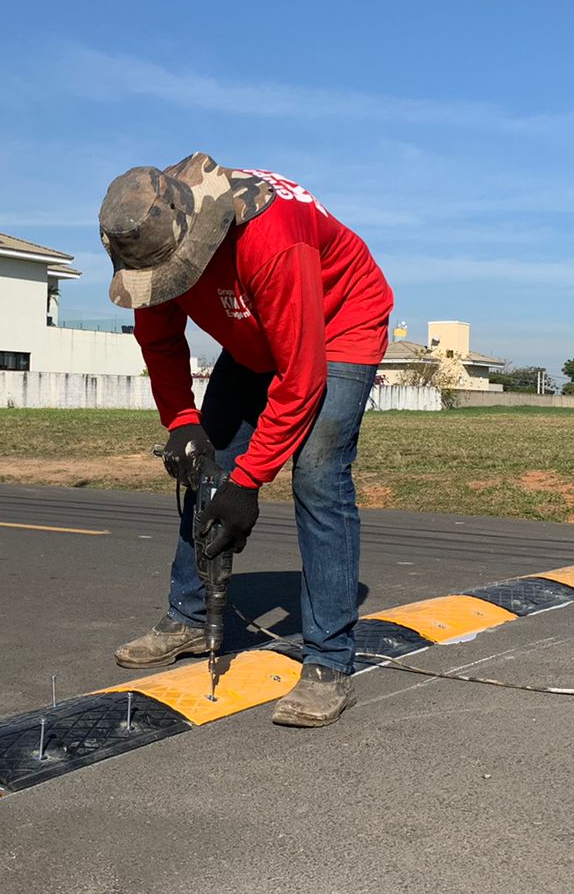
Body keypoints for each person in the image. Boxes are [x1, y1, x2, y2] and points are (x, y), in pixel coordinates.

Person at [98, 153, 394, 727]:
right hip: (256, 333)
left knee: (317, 474)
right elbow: (160, 343)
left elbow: (302, 377)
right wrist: (182, 423)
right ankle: (187, 617)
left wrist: (250, 481)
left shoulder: (271, 237)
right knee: (204, 467)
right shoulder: (148, 235)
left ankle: (330, 660)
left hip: (338, 324)